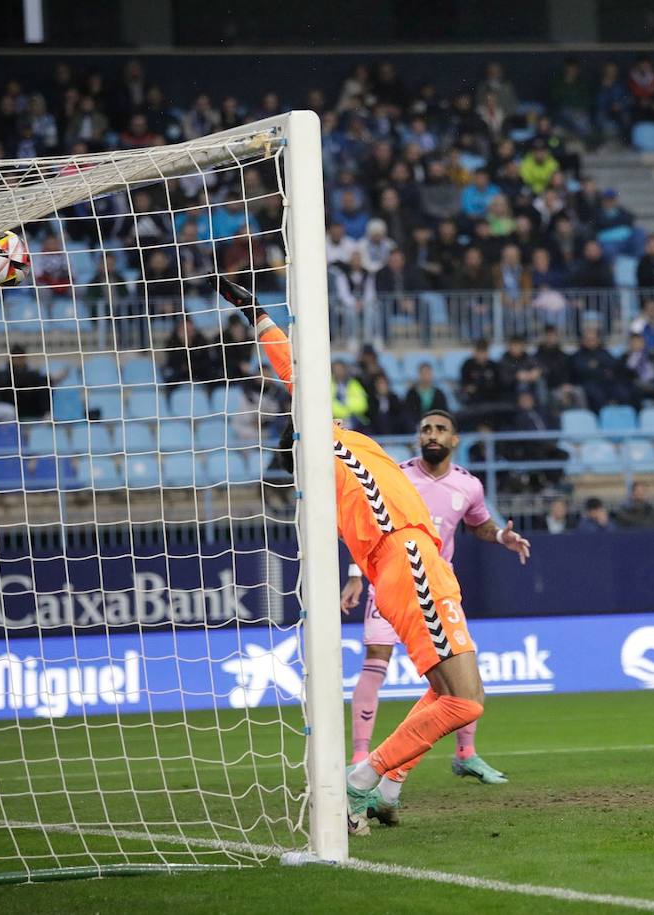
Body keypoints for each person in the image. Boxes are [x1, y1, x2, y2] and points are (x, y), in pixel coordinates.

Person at [215, 279, 508, 835]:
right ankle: (361, 779)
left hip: (414, 563)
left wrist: (256, 313)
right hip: (409, 559)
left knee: (450, 690)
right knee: (466, 703)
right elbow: (293, 372)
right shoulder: (328, 447)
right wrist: (257, 314)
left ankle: (389, 787)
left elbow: (291, 370)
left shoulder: (342, 452)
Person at [339, 409, 526, 810]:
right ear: (417, 437)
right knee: (381, 660)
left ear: (454, 439)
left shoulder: (469, 485)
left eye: (441, 429)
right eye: (425, 428)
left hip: (436, 585)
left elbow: (478, 524)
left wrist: (500, 536)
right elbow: (365, 519)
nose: (432, 435)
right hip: (393, 577)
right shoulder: (396, 473)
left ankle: (407, 778)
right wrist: (356, 574)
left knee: (449, 686)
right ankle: (360, 761)